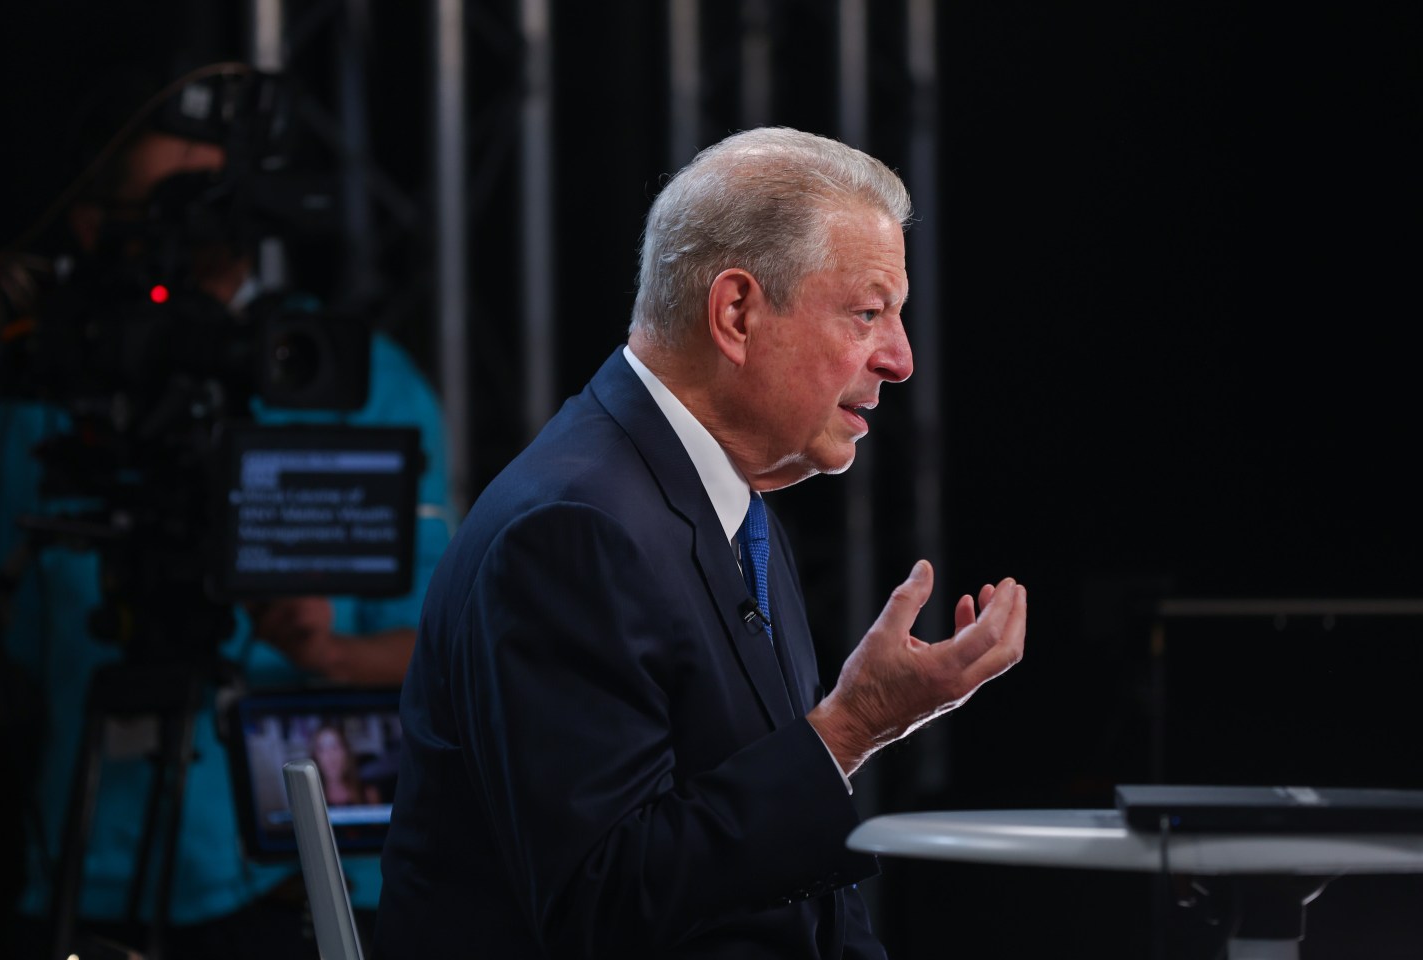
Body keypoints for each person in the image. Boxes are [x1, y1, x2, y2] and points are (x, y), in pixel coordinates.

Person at [373, 126, 1027, 958]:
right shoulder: (573, 530)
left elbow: (807, 898)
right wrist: (853, 727)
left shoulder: (730, 500)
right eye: (868, 313)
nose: (899, 358)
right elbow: (604, 905)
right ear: (737, 312)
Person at [0, 63, 453, 959]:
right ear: (94, 219)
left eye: (221, 196)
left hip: (299, 881)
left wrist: (329, 653)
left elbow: (454, 649)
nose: (204, 227)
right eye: (175, 200)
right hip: (83, 872)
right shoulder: (39, 393)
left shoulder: (352, 377)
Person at [309, 722, 382, 807]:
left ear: (346, 751)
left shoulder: (369, 794)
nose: (330, 755)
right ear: (315, 757)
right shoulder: (310, 799)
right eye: (322, 749)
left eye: (335, 747)